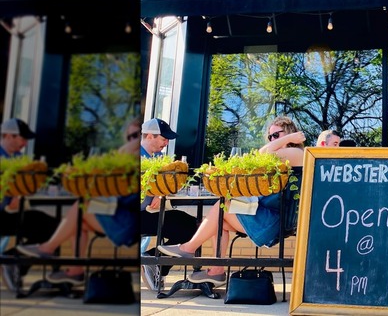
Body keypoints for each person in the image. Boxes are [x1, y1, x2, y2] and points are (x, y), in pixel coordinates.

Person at [156, 116, 305, 287]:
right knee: (220, 221)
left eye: (276, 135)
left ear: (289, 133)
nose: (273, 140)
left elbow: (261, 154)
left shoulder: (295, 153)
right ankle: (216, 271)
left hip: (273, 223)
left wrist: (288, 139)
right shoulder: (284, 157)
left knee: (223, 207)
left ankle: (188, 248)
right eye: (270, 137)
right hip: (269, 219)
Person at [14, 122, 141, 286]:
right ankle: (75, 270)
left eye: (136, 135)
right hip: (120, 217)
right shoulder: (127, 167)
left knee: (83, 206)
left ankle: (47, 248)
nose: (133, 141)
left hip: (130, 224)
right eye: (130, 137)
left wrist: (133, 145)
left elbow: (121, 154)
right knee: (79, 222)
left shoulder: (141, 160)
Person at [135, 118, 197, 291]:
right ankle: (154, 262)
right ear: (149, 136)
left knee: (192, 225)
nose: (167, 143)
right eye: (163, 138)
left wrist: (160, 193)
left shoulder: (160, 159)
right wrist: (154, 192)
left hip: (151, 213)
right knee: (188, 226)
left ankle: (154, 260)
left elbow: (165, 186)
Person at [0, 118, 59, 291]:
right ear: (9, 136)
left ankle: (13, 261)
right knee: (48, 226)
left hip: (11, 213)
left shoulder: (18, 159)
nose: (25, 143)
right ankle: (12, 262)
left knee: (53, 226)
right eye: (22, 138)